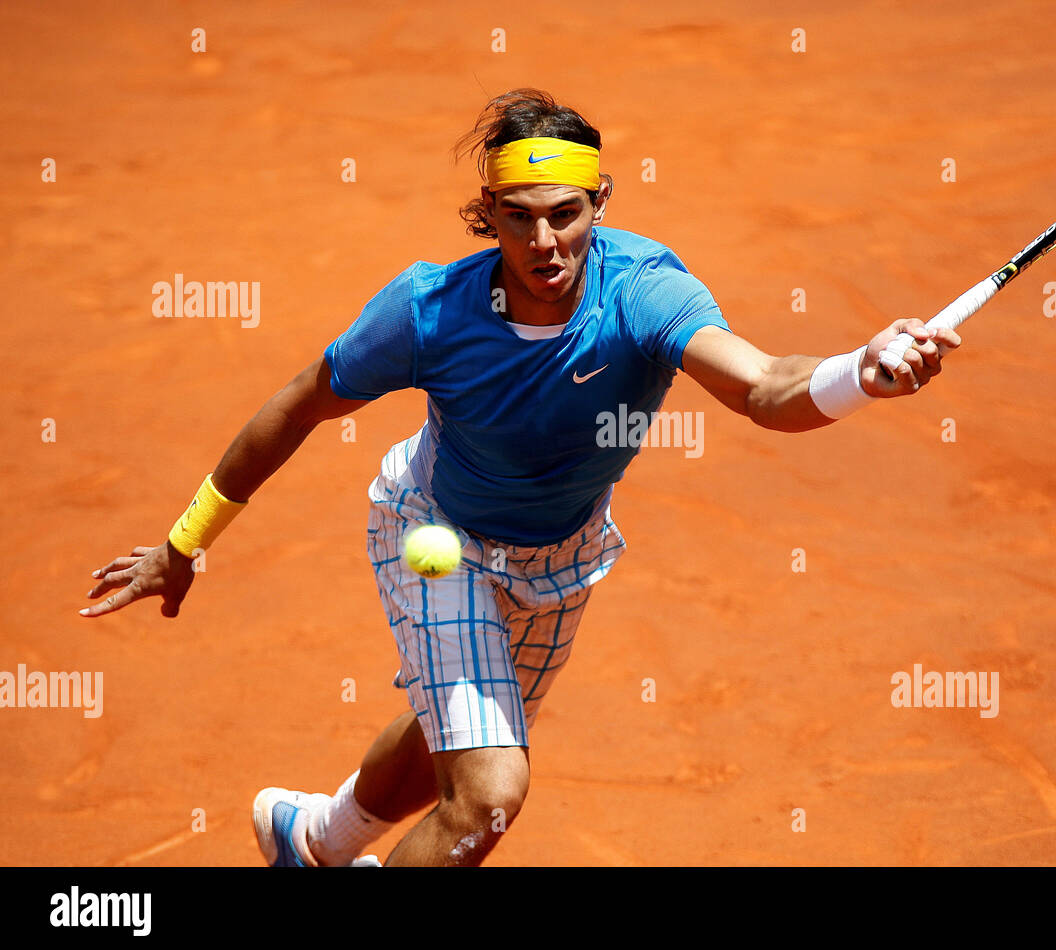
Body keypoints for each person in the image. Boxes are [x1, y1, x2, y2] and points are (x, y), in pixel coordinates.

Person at [79, 88, 959, 867]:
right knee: (489, 795)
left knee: (456, 739)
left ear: (601, 203)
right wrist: (183, 543)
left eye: (567, 213)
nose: (545, 241)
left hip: (562, 559)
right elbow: (298, 405)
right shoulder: (427, 313)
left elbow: (765, 388)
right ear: (485, 214)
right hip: (436, 534)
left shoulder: (645, 292)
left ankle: (313, 841)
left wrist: (862, 371)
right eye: (518, 217)